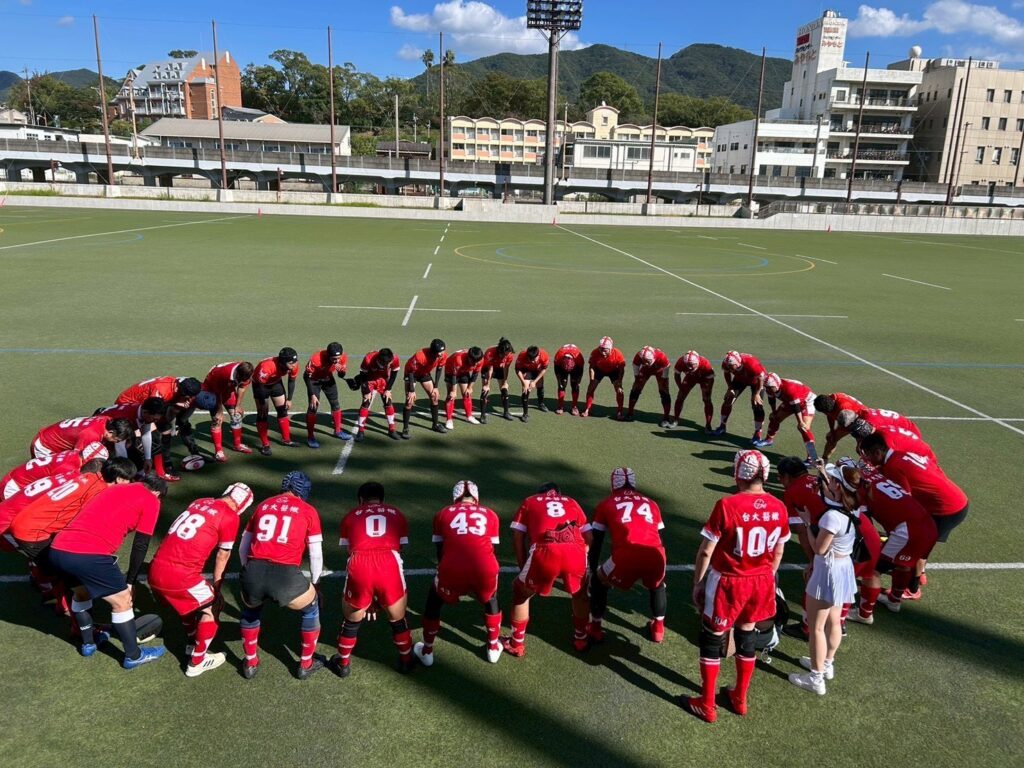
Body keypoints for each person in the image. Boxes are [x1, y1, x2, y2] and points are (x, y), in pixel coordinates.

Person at [683, 450, 789, 723]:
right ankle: (740, 698)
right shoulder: (779, 506)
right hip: (762, 580)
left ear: (738, 474)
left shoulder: (727, 504)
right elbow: (778, 553)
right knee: (746, 635)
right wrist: (766, 578)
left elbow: (706, 551)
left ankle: (707, 703)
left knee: (711, 636)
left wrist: (698, 583)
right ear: (765, 475)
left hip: (729, 581)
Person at [48, 475, 169, 668]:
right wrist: (130, 581)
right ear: (157, 493)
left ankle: (88, 643)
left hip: (58, 550)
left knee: (81, 593)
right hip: (88, 554)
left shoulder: (114, 489)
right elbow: (141, 544)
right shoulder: (151, 500)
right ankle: (133, 655)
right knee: (122, 601)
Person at [148, 483, 254, 677]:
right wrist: (217, 588)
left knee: (191, 602)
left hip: (155, 569)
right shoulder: (230, 516)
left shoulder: (199, 501)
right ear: (243, 506)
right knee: (212, 607)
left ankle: (191, 641)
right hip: (180, 576)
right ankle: (197, 661)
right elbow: (222, 556)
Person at [9, 458, 135, 619]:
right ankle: (76, 624)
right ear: (119, 479)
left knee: (61, 570)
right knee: (74, 582)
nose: (130, 483)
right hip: (34, 531)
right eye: (129, 479)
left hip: (30, 523)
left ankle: (57, 600)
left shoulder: (92, 476)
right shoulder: (99, 491)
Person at [776, 457, 880, 640]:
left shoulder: (793, 491)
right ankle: (847, 621)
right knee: (855, 581)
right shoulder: (827, 484)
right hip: (868, 537)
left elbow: (802, 532)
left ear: (785, 476)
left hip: (846, 544)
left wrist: (811, 562)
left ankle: (808, 629)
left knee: (815, 587)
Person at [238, 471, 324, 680]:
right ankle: (305, 664)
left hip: (254, 572)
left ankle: (250, 662)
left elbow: (243, 547)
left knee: (250, 613)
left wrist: (247, 570)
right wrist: (316, 583)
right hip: (286, 576)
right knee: (311, 609)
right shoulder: (308, 510)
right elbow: (315, 554)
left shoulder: (264, 505)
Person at [860, 432, 968, 598]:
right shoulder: (900, 455)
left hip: (947, 508)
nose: (868, 461)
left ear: (877, 452)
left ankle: (913, 588)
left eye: (868, 456)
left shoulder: (893, 466)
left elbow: (905, 498)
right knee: (916, 546)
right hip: (953, 499)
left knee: (917, 546)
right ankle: (912, 577)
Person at [788, 462, 860, 695]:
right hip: (843, 567)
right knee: (835, 620)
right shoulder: (852, 509)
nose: (824, 484)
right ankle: (826, 664)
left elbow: (819, 549)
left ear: (838, 487)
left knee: (817, 627)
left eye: (830, 481)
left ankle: (816, 678)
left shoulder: (831, 517)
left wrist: (808, 523)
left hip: (828, 569)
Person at [414, 480, 503, 667]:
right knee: (491, 598)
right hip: (484, 567)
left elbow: (440, 549)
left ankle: (427, 650)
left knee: (434, 600)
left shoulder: (442, 514)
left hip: (452, 568)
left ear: (455, 497)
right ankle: (493, 647)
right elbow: (490, 548)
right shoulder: (491, 515)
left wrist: (447, 569)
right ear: (476, 497)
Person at [330, 482, 414, 677]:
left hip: (361, 562)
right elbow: (401, 548)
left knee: (351, 620)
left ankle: (343, 663)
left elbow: (349, 551)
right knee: (398, 618)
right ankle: (406, 660)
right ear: (383, 499)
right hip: (389, 562)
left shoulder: (351, 515)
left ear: (360, 500)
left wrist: (368, 599)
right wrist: (378, 597)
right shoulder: (396, 513)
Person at [503, 483, 592, 657]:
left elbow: (517, 537)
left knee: (520, 592)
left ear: (540, 494)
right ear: (559, 494)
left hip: (545, 551)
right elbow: (589, 537)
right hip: (575, 550)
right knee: (580, 593)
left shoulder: (530, 501)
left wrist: (523, 567)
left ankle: (517, 643)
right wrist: (580, 555)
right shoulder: (571, 502)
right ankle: (581, 638)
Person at [846, 464, 938, 617]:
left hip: (908, 531)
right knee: (903, 564)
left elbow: (865, 525)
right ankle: (894, 600)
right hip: (928, 526)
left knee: (872, 570)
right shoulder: (880, 478)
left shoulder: (861, 491)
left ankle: (864, 614)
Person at [587, 468, 667, 643]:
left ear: (613, 484)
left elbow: (596, 541)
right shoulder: (652, 503)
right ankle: (658, 629)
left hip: (627, 555)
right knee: (658, 585)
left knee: (599, 580)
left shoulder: (606, 504)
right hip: (656, 554)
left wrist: (591, 569)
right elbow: (660, 537)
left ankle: (595, 627)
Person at [115, 376, 205, 479]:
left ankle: (164, 467)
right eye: (188, 397)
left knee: (163, 431)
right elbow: (154, 410)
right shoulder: (160, 391)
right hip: (129, 405)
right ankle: (153, 469)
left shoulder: (179, 385)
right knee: (154, 437)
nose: (189, 400)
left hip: (146, 405)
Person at [2, 442, 108, 500]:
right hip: (14, 488)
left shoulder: (73, 454)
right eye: (99, 463)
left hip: (16, 480)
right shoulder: (68, 468)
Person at [756, 373, 819, 464]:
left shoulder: (789, 389)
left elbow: (796, 407)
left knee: (804, 428)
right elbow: (771, 400)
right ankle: (769, 439)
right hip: (790, 401)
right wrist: (774, 412)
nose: (769, 389)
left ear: (776, 384)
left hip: (806, 402)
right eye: (767, 387)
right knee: (775, 418)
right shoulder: (770, 386)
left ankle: (812, 458)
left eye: (770, 387)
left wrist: (800, 422)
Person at [201, 361, 255, 461]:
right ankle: (218, 452)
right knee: (217, 420)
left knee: (236, 415)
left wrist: (238, 405)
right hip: (211, 388)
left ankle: (237, 445)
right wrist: (219, 411)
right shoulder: (224, 374)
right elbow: (217, 392)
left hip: (227, 388)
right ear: (238, 375)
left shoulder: (248, 373)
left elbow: (242, 388)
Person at [94, 397, 166, 472]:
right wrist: (126, 470)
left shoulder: (144, 413)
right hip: (102, 433)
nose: (154, 422)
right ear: (145, 412)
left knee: (137, 461)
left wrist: (148, 458)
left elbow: (146, 433)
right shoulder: (126, 417)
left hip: (116, 433)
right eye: (154, 419)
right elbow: (119, 446)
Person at [252, 348, 300, 455]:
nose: (294, 365)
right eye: (291, 363)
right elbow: (260, 387)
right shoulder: (268, 366)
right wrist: (262, 403)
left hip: (275, 382)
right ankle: (265, 445)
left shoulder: (293, 365)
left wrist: (289, 399)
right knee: (263, 414)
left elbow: (292, 381)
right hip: (261, 386)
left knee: (283, 410)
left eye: (296, 361)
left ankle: (286, 440)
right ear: (283, 362)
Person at [710, 351, 767, 441]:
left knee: (757, 405)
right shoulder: (727, 363)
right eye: (728, 366)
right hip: (740, 379)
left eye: (731, 367)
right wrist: (730, 388)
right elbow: (727, 373)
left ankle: (758, 432)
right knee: (728, 400)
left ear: (738, 363)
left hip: (756, 381)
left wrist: (757, 394)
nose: (730, 368)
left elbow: (761, 379)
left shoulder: (752, 363)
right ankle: (722, 426)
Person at [303, 342, 349, 448]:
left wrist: (341, 371)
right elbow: (307, 377)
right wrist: (312, 394)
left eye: (338, 358)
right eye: (334, 359)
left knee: (335, 404)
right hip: (313, 380)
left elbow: (341, 375)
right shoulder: (316, 359)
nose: (336, 361)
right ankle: (310, 436)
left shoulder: (342, 358)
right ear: (328, 355)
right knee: (313, 407)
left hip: (327, 378)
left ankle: (337, 431)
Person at [350, 347, 401, 441]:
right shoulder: (368, 359)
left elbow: (394, 375)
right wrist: (367, 391)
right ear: (380, 361)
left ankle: (392, 429)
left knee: (388, 401)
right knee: (366, 403)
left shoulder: (394, 358)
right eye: (388, 364)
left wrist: (388, 389)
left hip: (384, 380)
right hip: (369, 380)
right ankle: (360, 431)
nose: (390, 364)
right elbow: (363, 375)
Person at [402, 338, 448, 438]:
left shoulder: (443, 355)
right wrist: (411, 390)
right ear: (433, 351)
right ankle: (405, 428)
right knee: (409, 400)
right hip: (411, 374)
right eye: (439, 352)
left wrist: (435, 387)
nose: (442, 354)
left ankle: (435, 425)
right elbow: (410, 372)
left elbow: (439, 369)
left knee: (434, 397)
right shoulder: (420, 356)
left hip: (424, 373)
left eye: (443, 351)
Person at [31, 416, 132, 460]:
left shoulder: (106, 419)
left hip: (51, 437)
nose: (116, 442)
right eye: (117, 440)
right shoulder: (91, 435)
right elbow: (76, 459)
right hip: (45, 446)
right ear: (110, 432)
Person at [626, 346, 673, 427]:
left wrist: (664, 380)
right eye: (643, 361)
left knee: (664, 392)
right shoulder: (639, 356)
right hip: (645, 370)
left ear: (653, 357)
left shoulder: (661, 356)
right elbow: (635, 365)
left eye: (647, 361)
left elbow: (666, 367)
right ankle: (630, 413)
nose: (645, 363)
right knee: (635, 389)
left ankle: (666, 418)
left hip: (660, 370)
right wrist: (637, 378)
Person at [848, 419, 936, 461]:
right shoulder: (880, 431)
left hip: (923, 458)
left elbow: (891, 463)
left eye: (859, 439)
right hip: (917, 452)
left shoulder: (886, 442)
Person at [672, 350, 716, 432]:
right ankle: (675, 420)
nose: (689, 367)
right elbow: (677, 374)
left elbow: (711, 379)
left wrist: (708, 390)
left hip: (705, 379)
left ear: (697, 362)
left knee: (707, 400)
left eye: (691, 365)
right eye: (687, 365)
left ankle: (708, 424)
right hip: (690, 378)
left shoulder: (705, 364)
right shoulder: (681, 361)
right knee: (680, 397)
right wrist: (680, 387)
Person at [583, 336, 626, 419]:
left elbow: (621, 369)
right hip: (599, 370)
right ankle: (587, 409)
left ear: (610, 349)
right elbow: (592, 367)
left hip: (613, 370)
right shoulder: (595, 352)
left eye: (605, 350)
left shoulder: (618, 354)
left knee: (620, 391)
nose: (602, 352)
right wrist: (591, 379)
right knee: (591, 388)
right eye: (601, 349)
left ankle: (620, 412)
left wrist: (620, 382)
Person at [443, 347, 485, 431]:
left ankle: (469, 416)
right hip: (451, 371)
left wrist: (470, 387)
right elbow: (454, 376)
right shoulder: (459, 359)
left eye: (477, 362)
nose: (476, 364)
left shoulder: (480, 360)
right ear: (469, 358)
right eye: (473, 362)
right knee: (451, 395)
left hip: (464, 371)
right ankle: (449, 419)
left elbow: (475, 374)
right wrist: (453, 391)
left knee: (467, 393)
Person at [815, 392, 866, 461]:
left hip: (861, 422)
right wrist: (832, 431)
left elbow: (849, 426)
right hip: (848, 419)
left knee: (860, 448)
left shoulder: (843, 408)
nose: (824, 413)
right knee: (831, 438)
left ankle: (870, 467)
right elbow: (830, 415)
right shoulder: (828, 400)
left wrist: (859, 442)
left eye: (824, 412)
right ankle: (824, 461)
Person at [479, 337, 515, 422]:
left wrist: (505, 382)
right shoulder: (490, 353)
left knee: (504, 389)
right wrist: (487, 385)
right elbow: (490, 370)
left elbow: (506, 368)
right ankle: (482, 415)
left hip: (499, 368)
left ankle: (506, 412)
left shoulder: (509, 355)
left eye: (508, 354)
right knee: (485, 390)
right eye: (505, 354)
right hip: (487, 368)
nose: (506, 356)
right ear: (500, 351)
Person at [514, 346, 550, 422]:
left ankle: (541, 404)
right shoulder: (522, 355)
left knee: (540, 385)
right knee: (525, 389)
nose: (532, 361)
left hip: (538, 370)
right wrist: (523, 382)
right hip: (526, 370)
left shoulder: (544, 355)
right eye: (530, 359)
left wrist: (534, 381)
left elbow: (544, 369)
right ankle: (525, 413)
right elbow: (517, 370)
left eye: (534, 359)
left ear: (538, 355)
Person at [553, 343, 585, 415]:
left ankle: (574, 406)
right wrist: (559, 381)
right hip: (562, 367)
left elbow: (580, 371)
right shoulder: (558, 356)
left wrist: (578, 381)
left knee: (575, 386)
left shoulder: (579, 358)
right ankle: (560, 406)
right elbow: (557, 370)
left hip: (575, 368)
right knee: (561, 385)